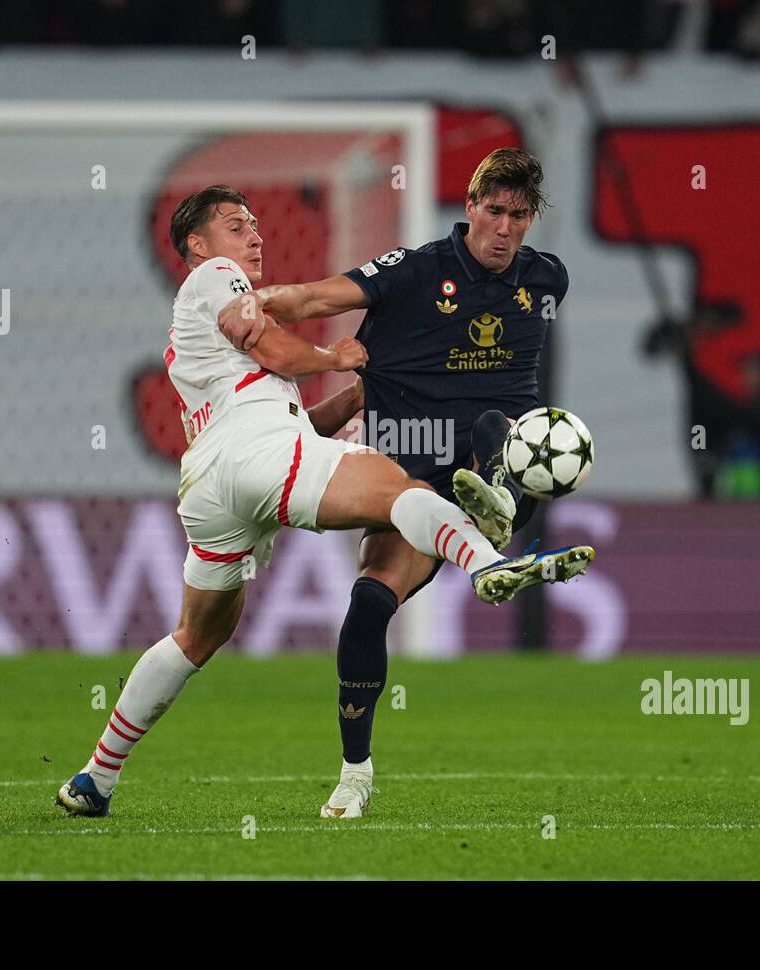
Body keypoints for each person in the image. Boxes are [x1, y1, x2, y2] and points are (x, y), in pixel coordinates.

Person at [55, 185, 594, 818]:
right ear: (197, 247)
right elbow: (275, 348)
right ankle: (486, 560)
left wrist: (350, 400)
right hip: (256, 456)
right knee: (405, 492)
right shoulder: (216, 278)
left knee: (197, 636)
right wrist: (332, 355)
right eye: (236, 227)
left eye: (255, 225)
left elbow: (285, 418)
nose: (253, 237)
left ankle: (96, 777)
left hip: (215, 480)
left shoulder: (202, 333)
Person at [216, 148, 575, 818]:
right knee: (367, 607)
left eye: (518, 216)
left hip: (487, 464)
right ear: (470, 208)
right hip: (402, 479)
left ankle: (494, 511)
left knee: (509, 427)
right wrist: (258, 301)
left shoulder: (547, 279)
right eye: (493, 211)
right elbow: (317, 296)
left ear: (531, 220)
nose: (503, 227)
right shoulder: (416, 271)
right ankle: (355, 773)